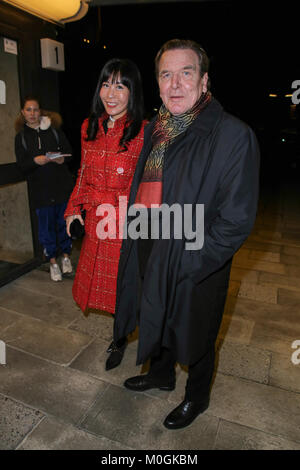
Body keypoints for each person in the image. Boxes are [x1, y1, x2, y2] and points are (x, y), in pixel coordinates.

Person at [113, 39, 260, 429]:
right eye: (166, 74)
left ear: (204, 80)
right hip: (151, 241)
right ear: (158, 83)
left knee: (197, 330)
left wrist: (193, 260)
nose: (175, 83)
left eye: (186, 72)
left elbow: (236, 221)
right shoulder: (156, 129)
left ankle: (197, 397)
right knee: (155, 314)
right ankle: (160, 375)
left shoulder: (232, 135)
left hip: (196, 256)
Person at [65, 58, 146, 370]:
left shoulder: (144, 132)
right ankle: (120, 335)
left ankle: (120, 339)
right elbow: (83, 173)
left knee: (122, 288)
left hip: (124, 223)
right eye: (106, 83)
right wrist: (73, 209)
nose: (111, 93)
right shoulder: (89, 127)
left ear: (132, 91)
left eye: (121, 85)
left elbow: (149, 186)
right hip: (96, 220)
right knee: (103, 287)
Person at [15, 96, 74, 282]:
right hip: (41, 191)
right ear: (23, 113)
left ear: (40, 111)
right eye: (28, 110)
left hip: (61, 187)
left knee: (64, 226)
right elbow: (22, 166)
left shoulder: (54, 132)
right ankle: (53, 263)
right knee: (46, 229)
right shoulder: (21, 138)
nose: (32, 113)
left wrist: (62, 158)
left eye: (35, 109)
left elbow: (70, 152)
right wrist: (34, 161)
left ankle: (66, 258)